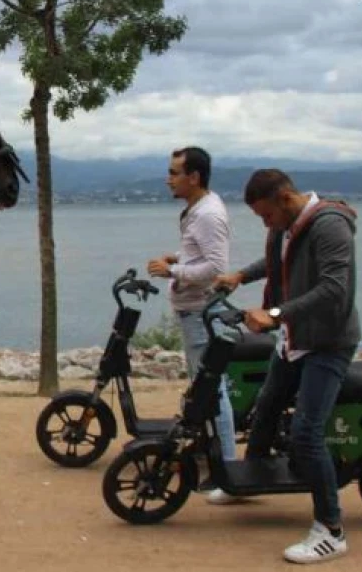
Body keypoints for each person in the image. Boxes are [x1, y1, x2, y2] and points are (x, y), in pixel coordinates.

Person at [213, 169, 360, 564]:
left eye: (266, 216)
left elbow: (334, 289)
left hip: (328, 343)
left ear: (285, 198)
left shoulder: (330, 227)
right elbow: (277, 261)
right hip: (295, 339)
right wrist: (241, 275)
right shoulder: (289, 226)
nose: (265, 224)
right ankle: (248, 483)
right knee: (265, 406)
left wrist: (275, 313)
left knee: (306, 434)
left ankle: (331, 529)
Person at [145, 146, 240, 505]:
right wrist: (180, 257)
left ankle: (228, 471)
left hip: (201, 314)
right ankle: (215, 458)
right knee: (205, 391)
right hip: (192, 313)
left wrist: (173, 270)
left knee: (214, 394)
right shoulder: (198, 211)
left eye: (174, 172)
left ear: (194, 176)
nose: (168, 178)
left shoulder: (208, 215)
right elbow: (202, 256)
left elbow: (216, 268)